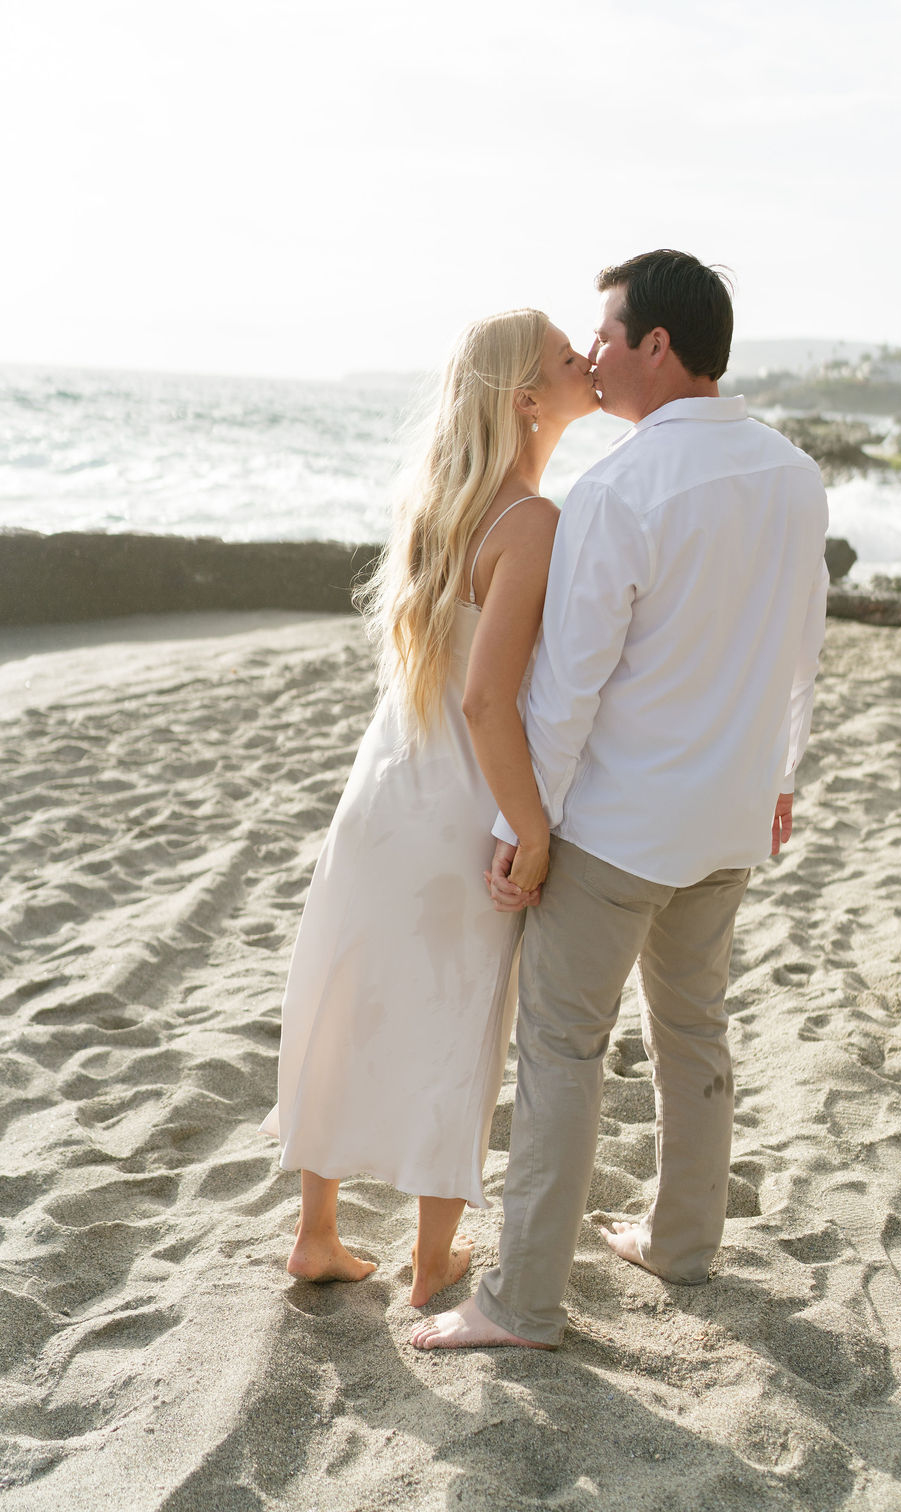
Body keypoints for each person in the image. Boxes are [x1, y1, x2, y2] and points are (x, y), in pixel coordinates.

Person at [411, 249, 829, 1351]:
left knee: (562, 1052)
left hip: (616, 833)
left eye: (604, 333)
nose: (592, 352)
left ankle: (521, 1304)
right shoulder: (794, 474)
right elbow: (802, 649)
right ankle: (682, 1244)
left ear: (656, 343)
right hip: (728, 822)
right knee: (694, 1030)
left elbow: (566, 691)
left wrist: (520, 829)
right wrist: (781, 779)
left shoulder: (617, 489)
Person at [260, 308, 599, 1305]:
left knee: (348, 999)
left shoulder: (433, 504)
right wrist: (530, 828)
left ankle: (316, 1233)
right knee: (458, 1017)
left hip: (380, 793)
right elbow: (488, 701)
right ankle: (432, 1259)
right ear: (527, 399)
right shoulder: (530, 522)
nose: (586, 357)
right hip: (458, 804)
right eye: (566, 355)